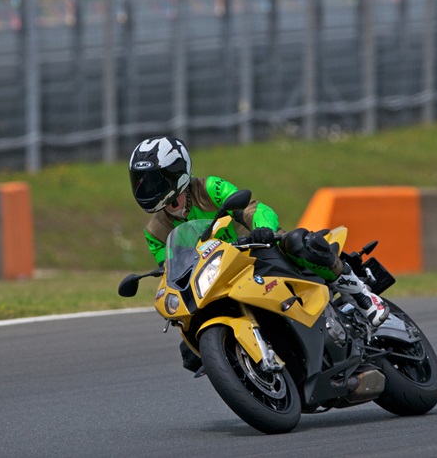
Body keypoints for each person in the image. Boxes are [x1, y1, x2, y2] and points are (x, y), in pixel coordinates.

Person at [129, 136, 388, 373]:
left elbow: (253, 208)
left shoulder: (209, 188)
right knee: (191, 353)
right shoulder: (155, 231)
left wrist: (263, 228)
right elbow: (173, 269)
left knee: (298, 242)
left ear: (176, 172)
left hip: (257, 252)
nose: (146, 189)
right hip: (218, 279)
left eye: (153, 180)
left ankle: (361, 295)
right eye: (140, 182)